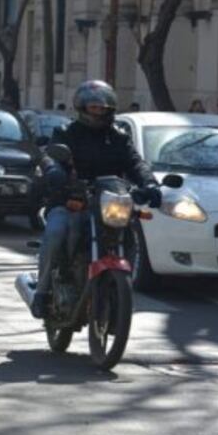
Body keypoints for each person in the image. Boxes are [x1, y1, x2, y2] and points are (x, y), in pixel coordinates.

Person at [30, 80, 161, 318]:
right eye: (94, 107)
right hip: (70, 199)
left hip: (107, 202)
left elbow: (135, 162)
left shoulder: (118, 137)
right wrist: (54, 170)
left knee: (128, 227)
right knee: (57, 229)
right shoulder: (68, 132)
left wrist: (149, 183)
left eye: (103, 108)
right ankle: (41, 291)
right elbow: (50, 154)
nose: (99, 112)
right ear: (82, 108)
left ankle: (117, 290)